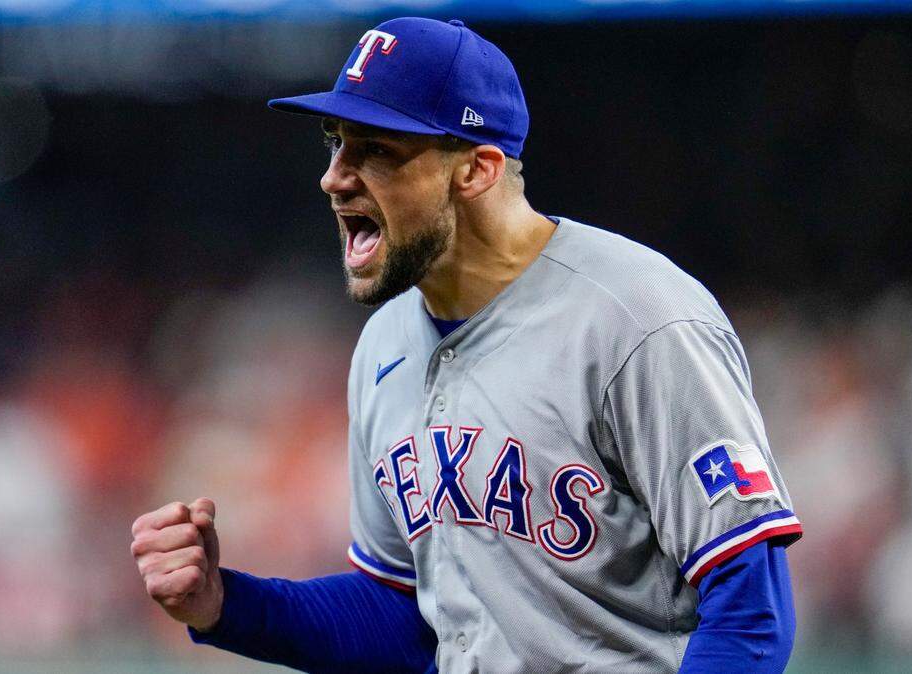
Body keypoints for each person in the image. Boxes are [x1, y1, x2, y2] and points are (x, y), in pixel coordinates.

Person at [130, 16, 802, 673]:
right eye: (335, 142)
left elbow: (750, 613)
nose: (335, 177)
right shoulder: (385, 345)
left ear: (477, 169)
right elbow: (403, 619)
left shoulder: (637, 320)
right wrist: (225, 605)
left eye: (377, 150)